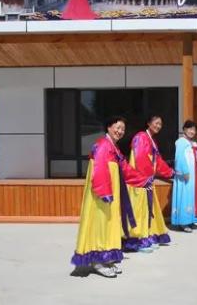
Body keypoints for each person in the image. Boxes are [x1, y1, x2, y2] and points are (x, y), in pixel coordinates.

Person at [71, 116, 134, 278]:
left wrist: (142, 179)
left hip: (110, 195)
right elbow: (98, 170)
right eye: (117, 127)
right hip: (102, 195)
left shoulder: (114, 148)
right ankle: (97, 261)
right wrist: (104, 192)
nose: (120, 131)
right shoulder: (102, 145)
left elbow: (125, 168)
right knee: (99, 224)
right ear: (109, 127)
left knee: (108, 224)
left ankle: (106, 258)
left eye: (122, 129)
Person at [122, 115, 174, 253]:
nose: (158, 126)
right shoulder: (140, 137)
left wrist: (170, 172)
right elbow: (140, 158)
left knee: (146, 211)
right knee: (138, 211)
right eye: (156, 123)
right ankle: (136, 241)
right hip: (139, 181)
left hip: (146, 180)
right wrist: (145, 179)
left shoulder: (151, 140)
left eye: (160, 124)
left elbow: (158, 161)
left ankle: (145, 237)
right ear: (148, 123)